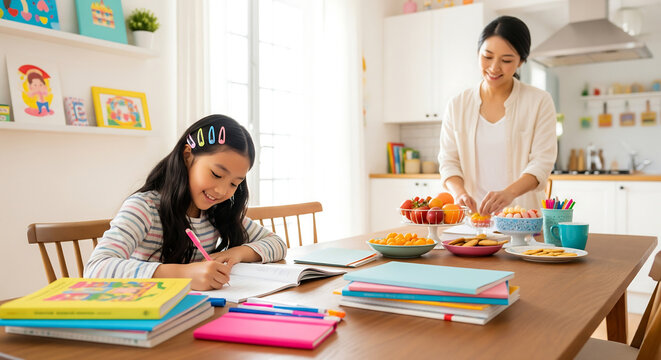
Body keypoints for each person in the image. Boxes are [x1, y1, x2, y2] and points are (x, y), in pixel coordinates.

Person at [84, 114, 287, 290]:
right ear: (188, 156)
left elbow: (277, 244)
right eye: (216, 174)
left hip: (195, 313)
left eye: (234, 183)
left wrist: (237, 253)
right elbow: (96, 268)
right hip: (148, 318)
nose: (222, 191)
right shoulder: (145, 208)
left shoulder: (218, 212)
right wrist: (183, 275)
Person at [438, 16, 557, 216]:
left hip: (523, 220)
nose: (494, 67)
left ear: (521, 61)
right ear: (477, 53)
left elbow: (542, 163)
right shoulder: (457, 105)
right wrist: (459, 194)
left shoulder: (539, 101)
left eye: (506, 60)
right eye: (487, 56)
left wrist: (509, 194)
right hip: (471, 222)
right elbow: (448, 162)